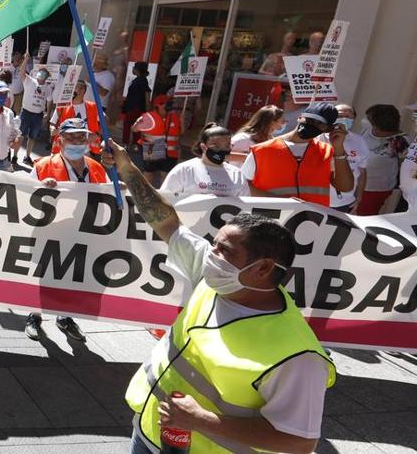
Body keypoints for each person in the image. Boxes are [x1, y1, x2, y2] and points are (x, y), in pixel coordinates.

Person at [111, 140, 334, 454]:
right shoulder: (218, 277)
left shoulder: (298, 356)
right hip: (148, 433)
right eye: (214, 244)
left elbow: (299, 441)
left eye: (223, 250)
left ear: (263, 268)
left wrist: (202, 420)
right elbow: (165, 221)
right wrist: (127, 169)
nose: (210, 255)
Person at [27, 118, 113, 343]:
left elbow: (105, 197)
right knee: (46, 276)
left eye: (81, 137)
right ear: (60, 140)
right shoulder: (43, 165)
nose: (76, 141)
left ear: (88, 140)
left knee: (75, 276)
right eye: (71, 137)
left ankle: (65, 317)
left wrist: (117, 190)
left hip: (83, 233)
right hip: (52, 233)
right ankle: (34, 316)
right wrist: (41, 189)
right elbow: (25, 200)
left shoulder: (95, 167)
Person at [242, 102, 353, 206]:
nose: (312, 124)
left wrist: (339, 148)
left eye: (319, 123)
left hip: (311, 221)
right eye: (309, 119)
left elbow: (345, 187)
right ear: (300, 117)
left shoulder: (327, 152)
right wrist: (282, 202)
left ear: (328, 129)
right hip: (269, 218)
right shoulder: (262, 150)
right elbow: (243, 185)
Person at [159, 123, 248, 198]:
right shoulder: (184, 170)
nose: (222, 150)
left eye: (227, 146)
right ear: (203, 147)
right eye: (216, 146)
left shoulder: (237, 174)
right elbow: (165, 200)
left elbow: (245, 205)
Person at [356, 103, 409, 215]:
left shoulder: (402, 141)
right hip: (354, 182)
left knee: (363, 217)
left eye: (369, 119)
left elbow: (404, 166)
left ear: (378, 124)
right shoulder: (367, 129)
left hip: (375, 189)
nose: (365, 120)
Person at [319, 103, 370, 213]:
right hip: (317, 200)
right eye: (340, 116)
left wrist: (359, 196)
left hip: (345, 202)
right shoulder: (319, 138)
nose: (344, 119)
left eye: (348, 116)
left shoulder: (359, 141)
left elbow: (362, 171)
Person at [133, 95, 181, 186]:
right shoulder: (150, 117)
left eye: (169, 104)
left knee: (165, 174)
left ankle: (163, 195)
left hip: (170, 151)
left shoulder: (174, 117)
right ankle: (146, 193)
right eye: (165, 104)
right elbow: (134, 129)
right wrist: (138, 123)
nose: (168, 106)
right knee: (149, 172)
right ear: (158, 105)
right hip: (153, 147)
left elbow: (180, 133)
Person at [17, 57, 56, 165]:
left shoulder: (48, 88)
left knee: (32, 137)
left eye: (44, 73)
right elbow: (21, 72)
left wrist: (47, 115)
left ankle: (27, 156)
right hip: (26, 112)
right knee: (20, 135)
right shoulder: (29, 81)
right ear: (37, 73)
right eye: (41, 72)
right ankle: (14, 156)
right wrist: (25, 59)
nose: (42, 74)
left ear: (47, 77)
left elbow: (49, 101)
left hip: (38, 115)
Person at [50, 80, 102, 155]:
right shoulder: (62, 105)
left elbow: (105, 121)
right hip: (63, 148)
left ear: (83, 90)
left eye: (77, 88)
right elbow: (52, 123)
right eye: (73, 88)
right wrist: (53, 129)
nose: (73, 90)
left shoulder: (92, 106)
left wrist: (97, 135)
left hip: (83, 150)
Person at [120, 62, 151, 145]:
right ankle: (133, 144)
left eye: (134, 68)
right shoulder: (138, 79)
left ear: (137, 70)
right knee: (132, 126)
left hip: (135, 108)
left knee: (130, 125)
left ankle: (129, 144)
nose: (133, 69)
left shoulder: (142, 80)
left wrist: (147, 107)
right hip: (132, 107)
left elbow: (147, 92)